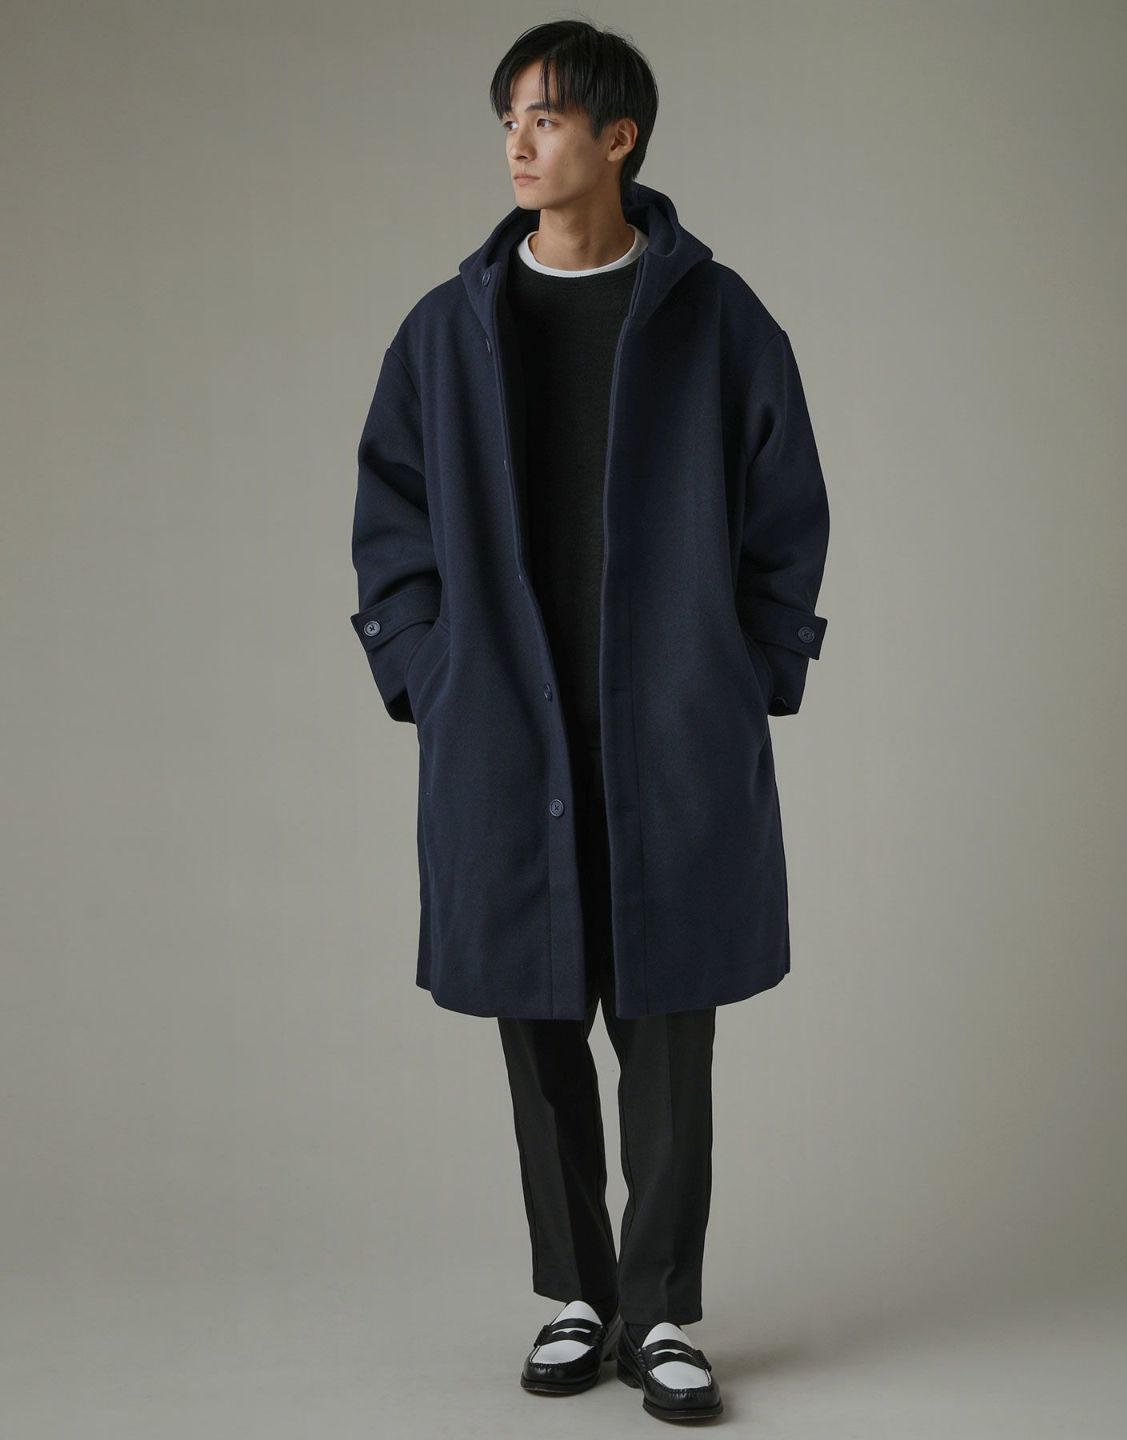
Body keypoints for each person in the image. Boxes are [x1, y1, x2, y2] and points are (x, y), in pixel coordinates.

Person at [349, 18, 830, 1423]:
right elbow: (391, 517)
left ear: (619, 139)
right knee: (538, 1015)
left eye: (546, 117)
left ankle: (661, 1311)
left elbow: (787, 509)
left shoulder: (718, 317)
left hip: (668, 726)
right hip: (508, 724)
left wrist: (746, 670)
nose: (517, 141)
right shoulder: (445, 330)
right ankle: (577, 1294)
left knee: (671, 1027)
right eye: (508, 117)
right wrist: (427, 670)